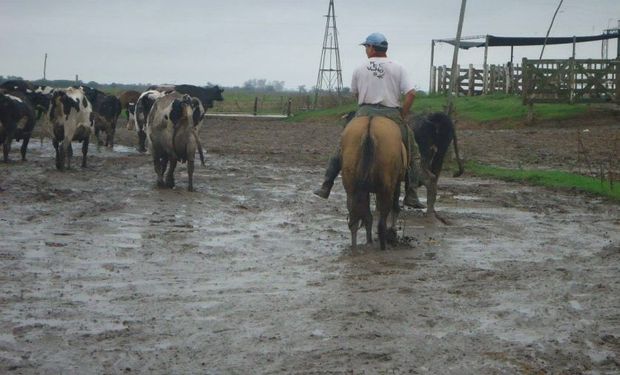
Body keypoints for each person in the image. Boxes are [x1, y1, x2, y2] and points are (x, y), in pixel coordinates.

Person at [313, 32, 432, 207]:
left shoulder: (359, 68)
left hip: (364, 112)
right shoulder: (398, 67)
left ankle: (326, 185)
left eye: (366, 47)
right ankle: (411, 193)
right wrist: (403, 114)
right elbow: (411, 94)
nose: (366, 50)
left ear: (371, 48)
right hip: (391, 113)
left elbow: (355, 93)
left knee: (341, 147)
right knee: (412, 150)